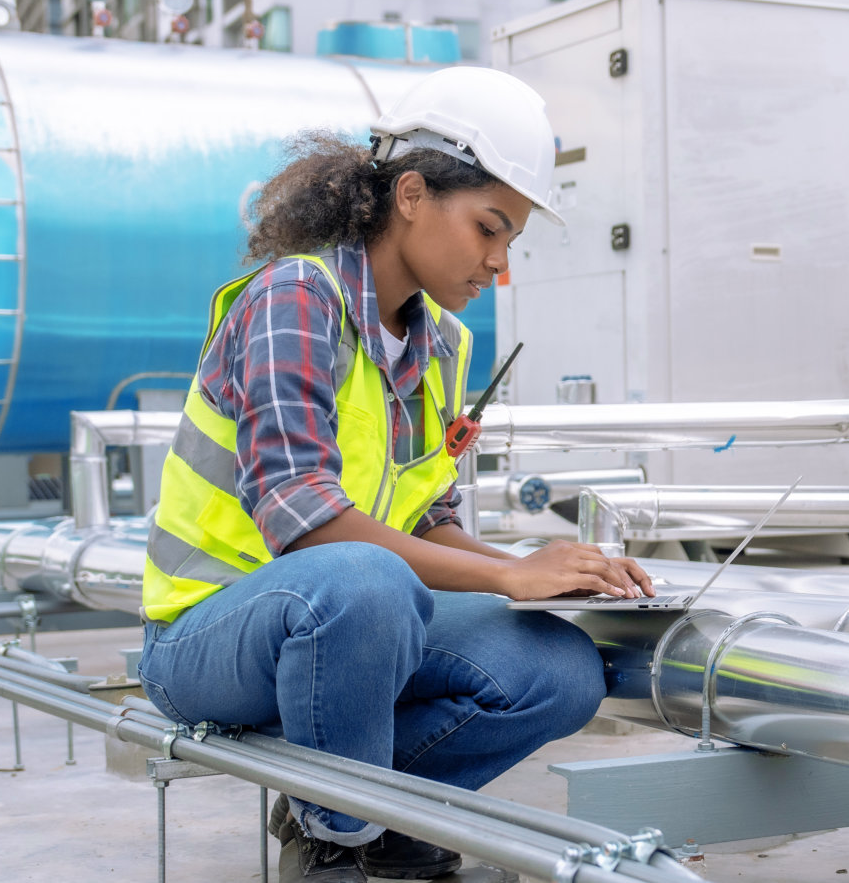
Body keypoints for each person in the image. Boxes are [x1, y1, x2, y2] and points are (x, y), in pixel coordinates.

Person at [135, 67, 654, 883]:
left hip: (348, 616)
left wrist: (540, 580)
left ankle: (377, 811)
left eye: (510, 240)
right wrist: (507, 575)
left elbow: (426, 514)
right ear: (411, 193)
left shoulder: (440, 345)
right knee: (363, 582)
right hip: (209, 635)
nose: (498, 263)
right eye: (489, 228)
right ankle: (333, 839)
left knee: (560, 669)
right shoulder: (294, 300)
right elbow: (302, 515)